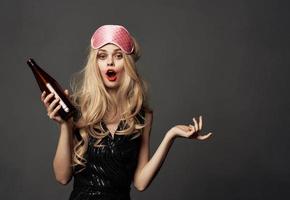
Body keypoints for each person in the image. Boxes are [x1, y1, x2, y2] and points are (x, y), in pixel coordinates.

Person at [40, 24, 213, 200]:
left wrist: (171, 135)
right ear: (96, 64)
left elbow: (140, 182)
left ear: (127, 63)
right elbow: (62, 177)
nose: (110, 62)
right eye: (102, 56)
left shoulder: (142, 115)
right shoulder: (77, 108)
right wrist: (65, 124)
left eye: (118, 55)